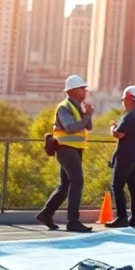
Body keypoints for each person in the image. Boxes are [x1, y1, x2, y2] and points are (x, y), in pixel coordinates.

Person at [37, 74, 94, 233]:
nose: (85, 91)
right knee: (77, 181)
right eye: (82, 88)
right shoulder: (64, 107)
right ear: (73, 90)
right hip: (65, 149)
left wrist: (87, 114)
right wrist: (87, 116)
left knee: (65, 186)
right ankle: (73, 221)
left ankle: (46, 214)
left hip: (75, 149)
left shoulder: (78, 107)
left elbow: (87, 127)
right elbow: (70, 127)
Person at [105, 85, 135, 229]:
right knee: (133, 186)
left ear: (130, 100)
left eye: (124, 100)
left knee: (117, 186)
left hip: (126, 157)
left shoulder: (130, 116)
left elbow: (119, 134)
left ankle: (121, 218)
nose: (123, 103)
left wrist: (112, 127)